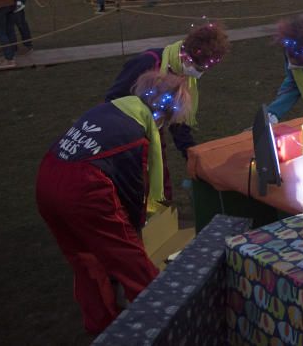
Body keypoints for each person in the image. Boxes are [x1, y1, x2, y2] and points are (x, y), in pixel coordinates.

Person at [36, 70, 192, 334]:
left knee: (84, 260)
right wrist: (135, 233)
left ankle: (101, 323)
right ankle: (161, 327)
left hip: (48, 176)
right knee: (135, 267)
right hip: (85, 189)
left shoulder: (110, 109)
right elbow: (134, 192)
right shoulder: (134, 134)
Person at [104, 23, 230, 199]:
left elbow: (178, 120)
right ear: (187, 57)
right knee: (133, 185)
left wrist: (191, 155)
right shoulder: (149, 62)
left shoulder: (183, 75)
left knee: (159, 179)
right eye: (200, 68)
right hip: (126, 135)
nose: (200, 74)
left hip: (154, 133)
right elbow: (113, 99)